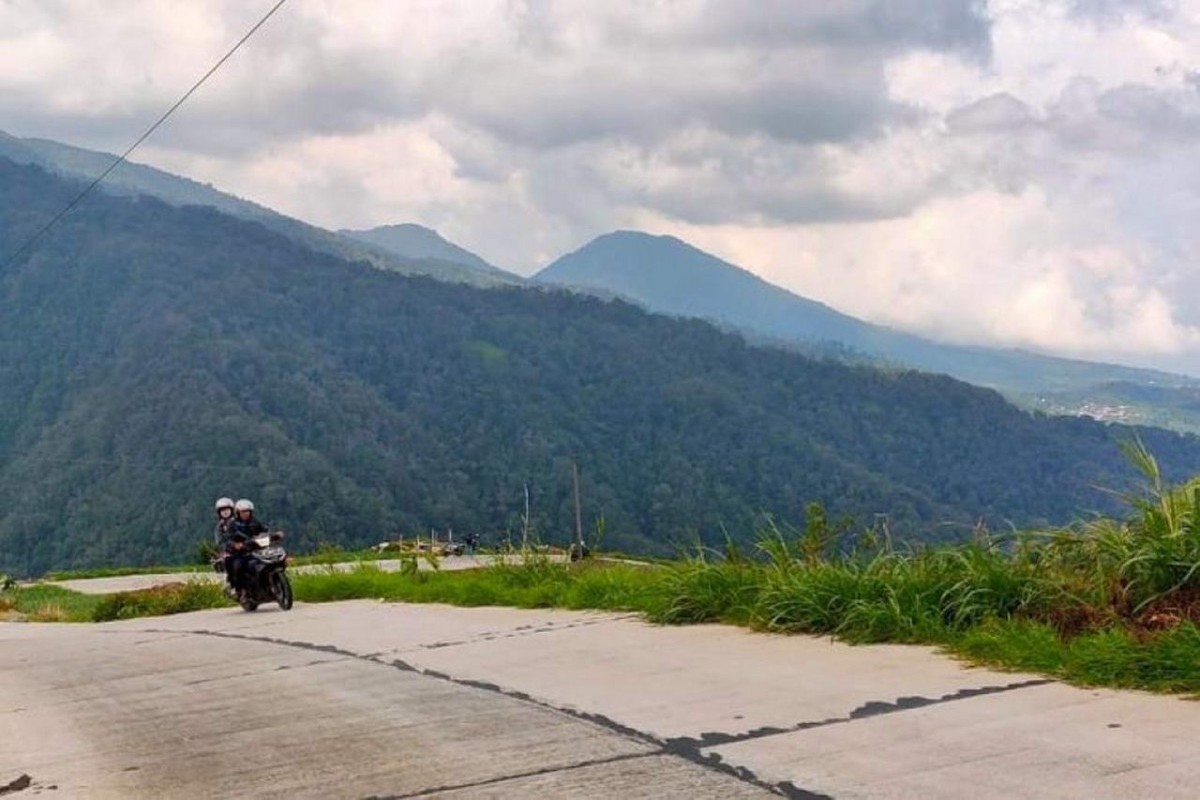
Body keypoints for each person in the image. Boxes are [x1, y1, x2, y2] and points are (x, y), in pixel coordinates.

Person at [227, 498, 268, 596]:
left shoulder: (255, 522)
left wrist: (274, 534)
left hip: (256, 550)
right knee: (238, 566)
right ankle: (238, 589)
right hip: (241, 553)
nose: (246, 513)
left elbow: (264, 530)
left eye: (248, 511)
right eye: (243, 512)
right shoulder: (233, 524)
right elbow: (228, 538)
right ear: (238, 513)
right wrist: (235, 545)